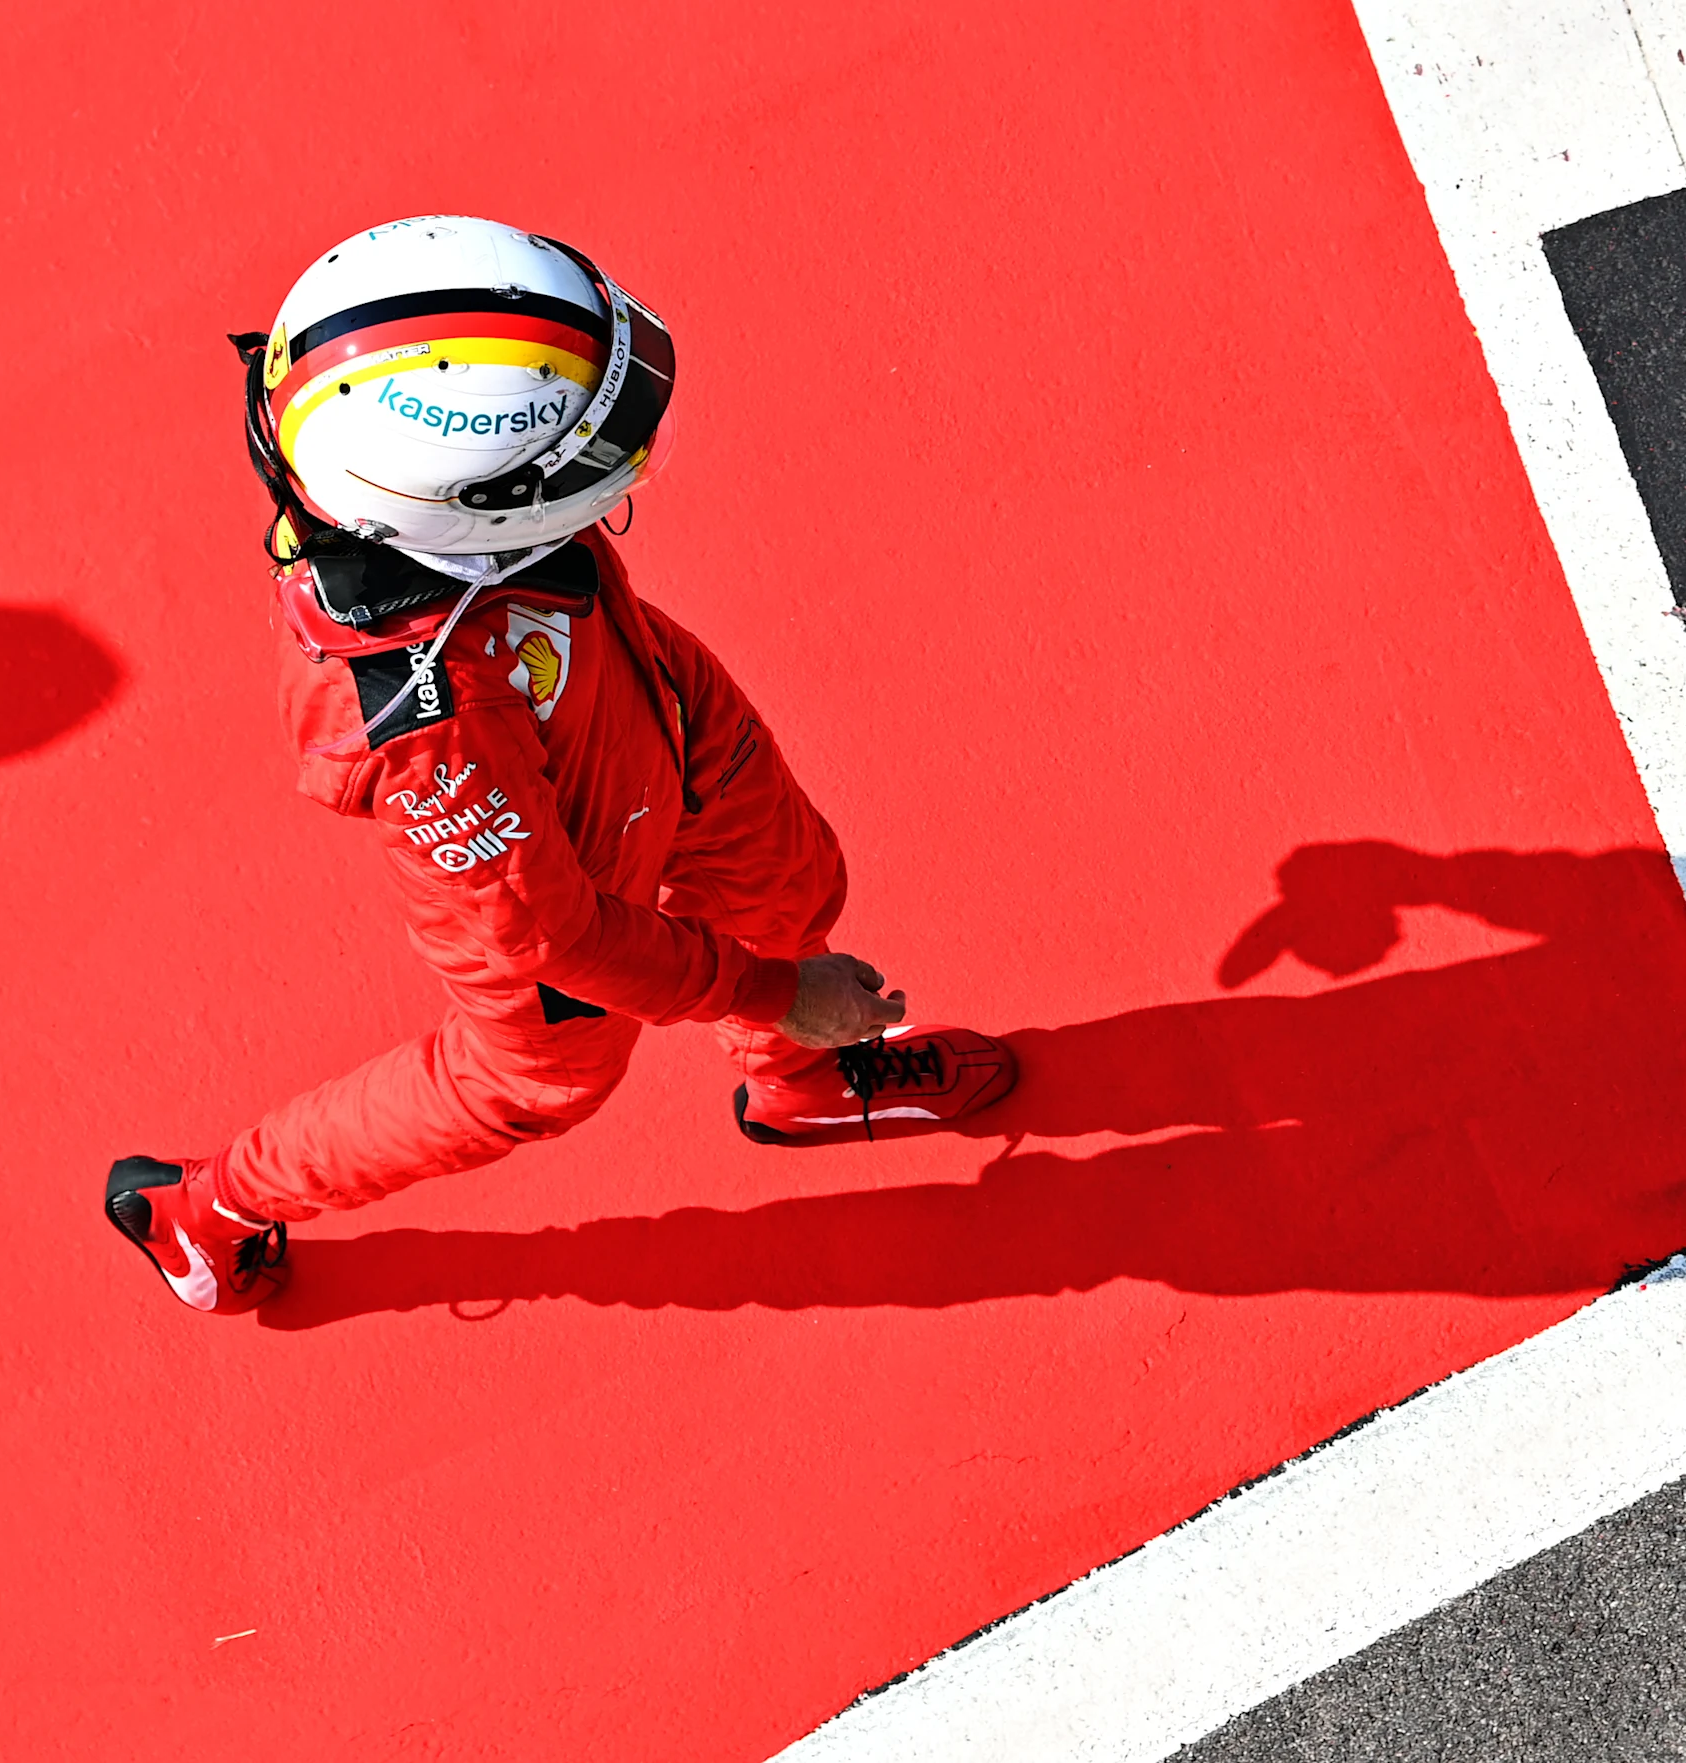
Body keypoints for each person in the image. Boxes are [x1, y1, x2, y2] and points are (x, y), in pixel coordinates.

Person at [104, 216, 1016, 1315]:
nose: (627, 454)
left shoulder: (354, 421)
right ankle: (213, 1206)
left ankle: (799, 1082)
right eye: (589, 452)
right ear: (466, 506)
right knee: (528, 1086)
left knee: (787, 877)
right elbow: (554, 937)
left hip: (643, 700)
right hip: (551, 873)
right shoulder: (429, 729)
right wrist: (774, 990)